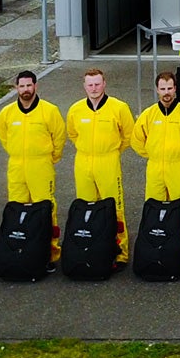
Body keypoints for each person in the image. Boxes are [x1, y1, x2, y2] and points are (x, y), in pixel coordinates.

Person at [133, 70, 180, 270]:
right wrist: (152, 154)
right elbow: (136, 140)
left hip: (179, 167)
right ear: (157, 90)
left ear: (175, 89)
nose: (166, 92)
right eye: (162, 88)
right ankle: (157, 247)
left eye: (170, 88)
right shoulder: (149, 115)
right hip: (155, 168)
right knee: (154, 210)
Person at [66, 68, 138, 268]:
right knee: (86, 209)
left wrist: (112, 151)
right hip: (83, 162)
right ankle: (90, 248)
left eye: (97, 84)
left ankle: (121, 252)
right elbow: (72, 134)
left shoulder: (119, 107)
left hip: (108, 161)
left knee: (115, 208)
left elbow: (129, 135)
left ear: (104, 84)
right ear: (84, 86)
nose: (94, 88)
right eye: (90, 84)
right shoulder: (76, 109)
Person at [0, 70, 66, 269]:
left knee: (45, 210)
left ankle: (50, 254)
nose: (25, 89)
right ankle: (20, 250)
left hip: (41, 165)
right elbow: (4, 136)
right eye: (22, 86)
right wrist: (15, 153)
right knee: (16, 209)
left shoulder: (49, 111)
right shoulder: (7, 113)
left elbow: (59, 137)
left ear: (35, 86)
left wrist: (50, 158)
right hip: (16, 166)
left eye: (29, 85)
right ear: (16, 87)